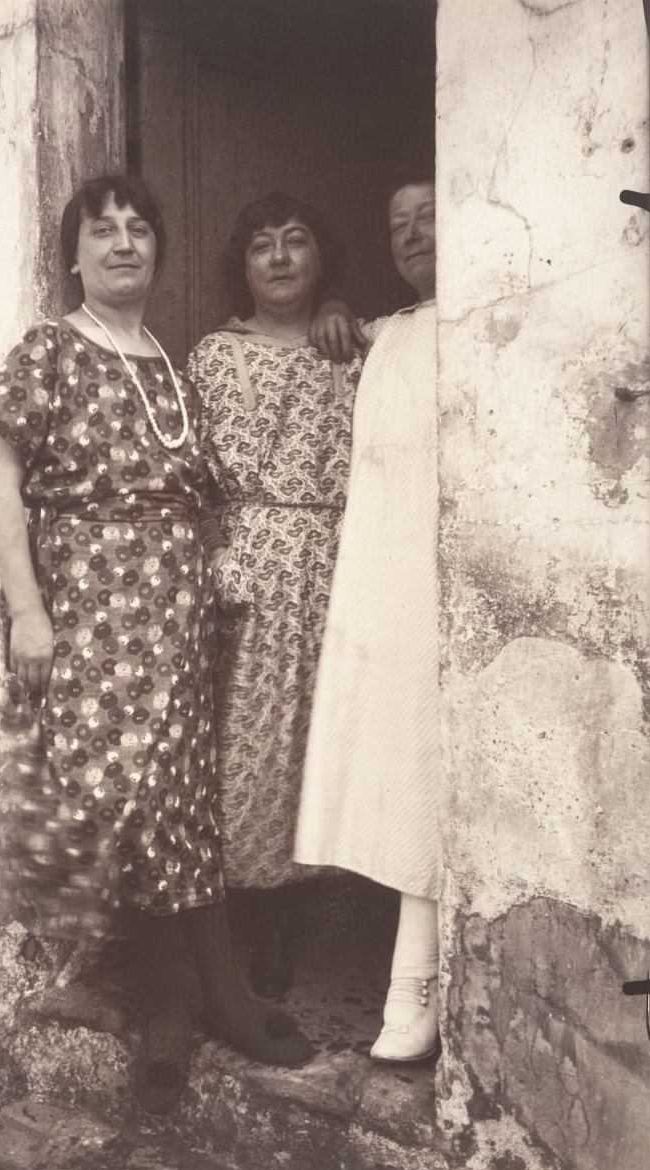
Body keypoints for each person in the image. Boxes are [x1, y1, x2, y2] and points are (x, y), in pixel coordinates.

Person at [0, 175, 313, 1115]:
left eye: (138, 230)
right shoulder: (47, 349)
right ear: (73, 255)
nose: (124, 244)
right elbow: (2, 486)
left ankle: (183, 1004)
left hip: (178, 613)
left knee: (179, 800)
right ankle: (191, 992)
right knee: (112, 797)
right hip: (91, 613)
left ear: (155, 251)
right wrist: (26, 611)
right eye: (101, 230)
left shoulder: (172, 363)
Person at [186, 194, 360, 997]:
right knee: (239, 746)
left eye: (297, 242)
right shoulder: (214, 355)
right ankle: (240, 930)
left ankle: (302, 925)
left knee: (320, 745)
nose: (281, 258)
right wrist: (215, 557)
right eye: (262, 246)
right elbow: (187, 474)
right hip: (244, 568)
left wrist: (340, 314)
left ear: (321, 260)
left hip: (340, 566)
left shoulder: (354, 346)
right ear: (243, 266)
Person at [296, 166, 442, 1063]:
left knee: (436, 762)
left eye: (432, 215)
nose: (415, 232)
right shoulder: (384, 332)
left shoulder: (494, 324)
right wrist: (337, 310)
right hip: (385, 576)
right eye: (399, 223)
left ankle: (417, 983)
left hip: (451, 576)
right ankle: (409, 975)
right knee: (394, 762)